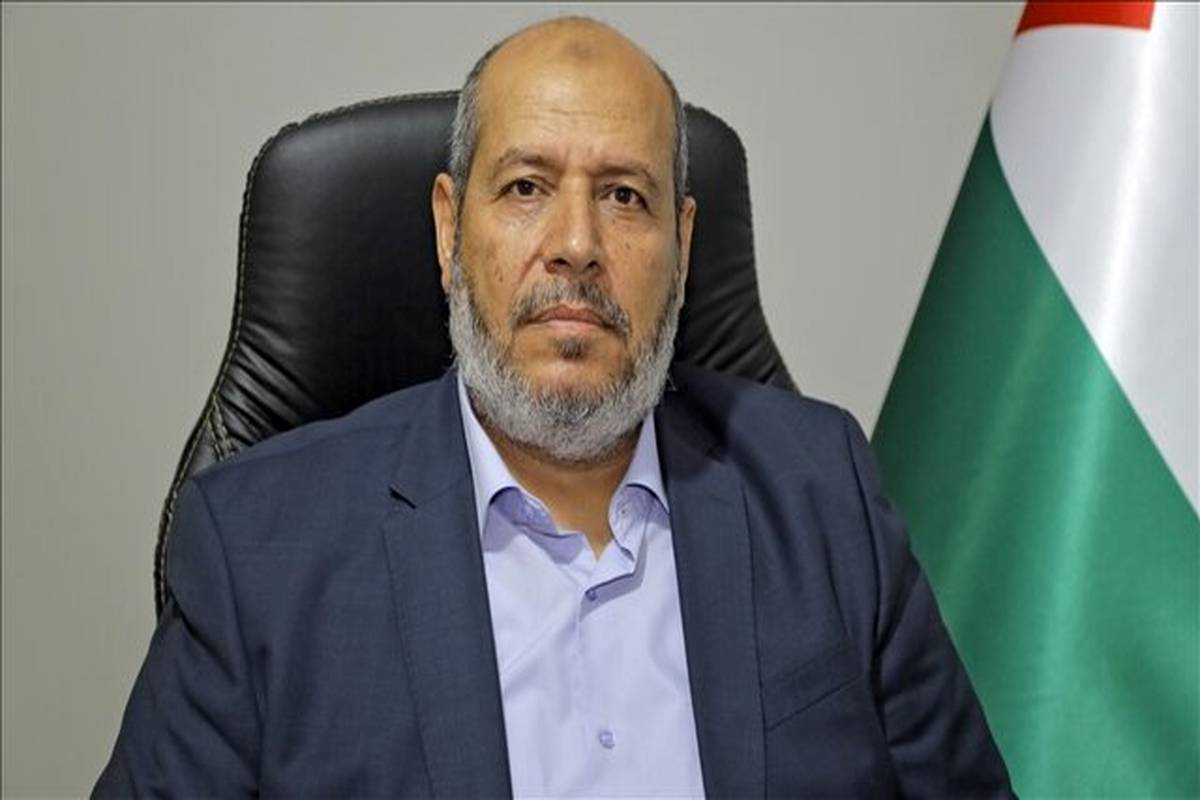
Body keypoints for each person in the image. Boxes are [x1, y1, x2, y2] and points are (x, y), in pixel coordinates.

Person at [94, 16, 1012, 798]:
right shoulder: (259, 547)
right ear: (449, 230)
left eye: (624, 196)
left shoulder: (823, 494)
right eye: (526, 187)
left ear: (683, 244)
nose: (576, 244)